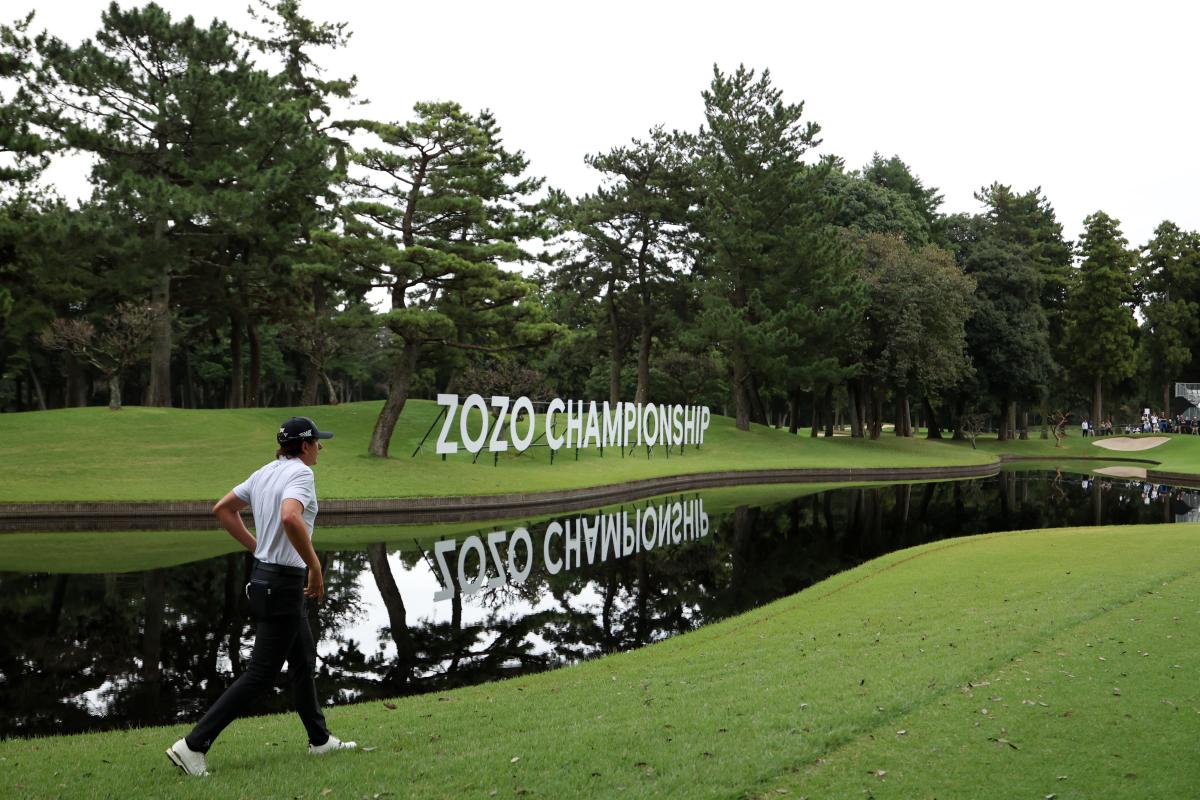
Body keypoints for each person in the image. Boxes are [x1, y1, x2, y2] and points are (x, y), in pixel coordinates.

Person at [167, 417, 355, 777]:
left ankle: (319, 740)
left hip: (266, 578)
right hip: (284, 583)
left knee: (302, 659)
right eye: (317, 443)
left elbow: (222, 509)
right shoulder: (301, 474)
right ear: (304, 446)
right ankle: (192, 746)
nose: (320, 448)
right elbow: (290, 517)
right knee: (260, 675)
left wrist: (259, 548)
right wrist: (314, 566)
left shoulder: (264, 472)